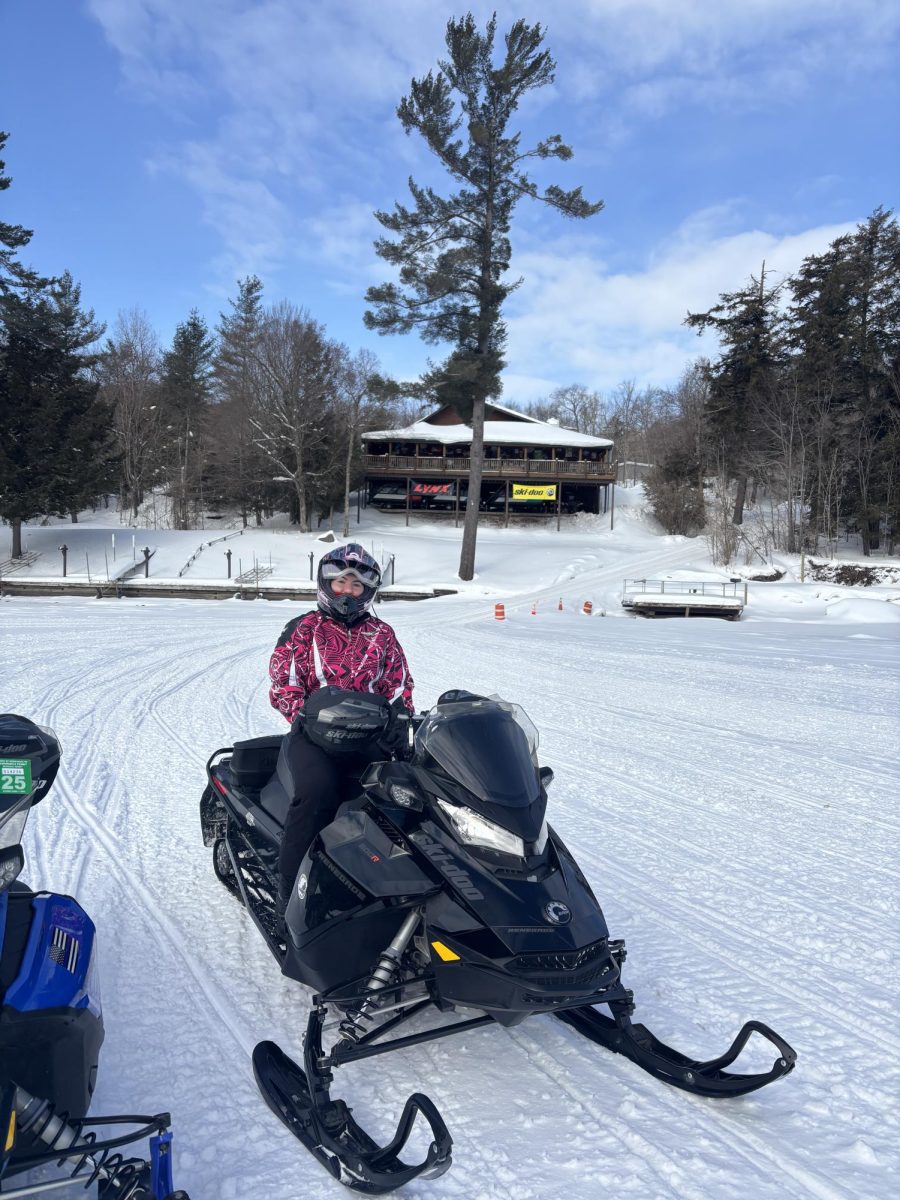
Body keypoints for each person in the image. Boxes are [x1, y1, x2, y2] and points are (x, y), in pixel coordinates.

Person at [268, 543, 414, 913]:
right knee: (317, 793)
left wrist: (400, 716)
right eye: (340, 583)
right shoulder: (303, 629)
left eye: (356, 586)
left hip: (367, 735)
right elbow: (283, 683)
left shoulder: (382, 634)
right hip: (314, 736)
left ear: (368, 591)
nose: (348, 592)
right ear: (326, 584)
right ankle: (290, 893)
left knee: (400, 794)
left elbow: (398, 683)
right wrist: (305, 714)